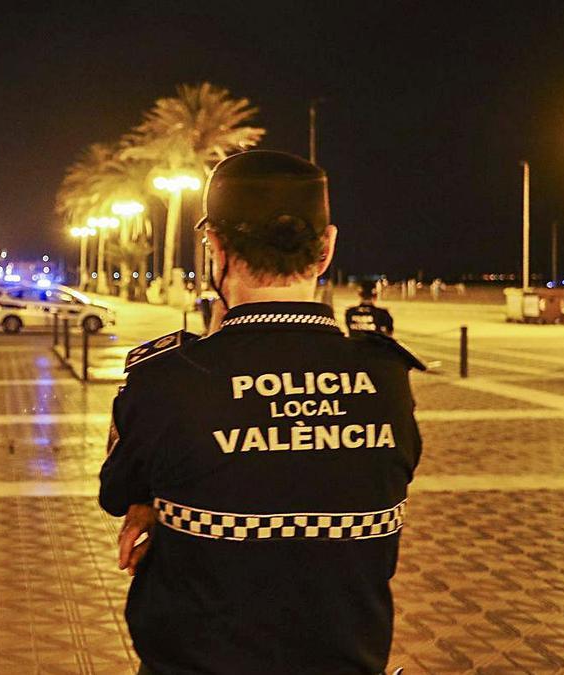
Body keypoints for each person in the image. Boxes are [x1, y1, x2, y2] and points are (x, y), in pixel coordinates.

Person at [100, 150, 424, 675]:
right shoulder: (387, 378)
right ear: (327, 248)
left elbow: (118, 491)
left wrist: (159, 502)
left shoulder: (165, 378)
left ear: (216, 247)